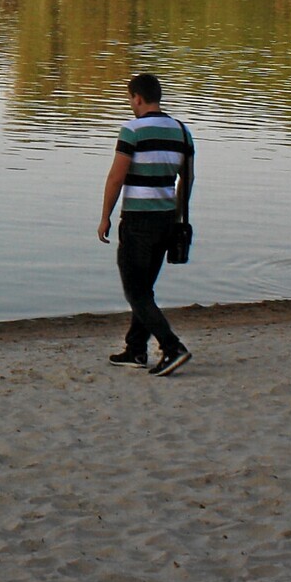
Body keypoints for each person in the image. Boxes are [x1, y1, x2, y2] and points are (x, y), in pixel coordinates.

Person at [95, 73, 196, 376]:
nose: (131, 104)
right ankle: (136, 350)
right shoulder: (182, 131)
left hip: (138, 219)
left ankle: (171, 346)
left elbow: (116, 177)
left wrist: (105, 216)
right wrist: (177, 215)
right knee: (145, 287)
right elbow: (187, 179)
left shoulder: (132, 130)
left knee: (135, 291)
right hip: (167, 218)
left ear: (137, 98)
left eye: (130, 99)